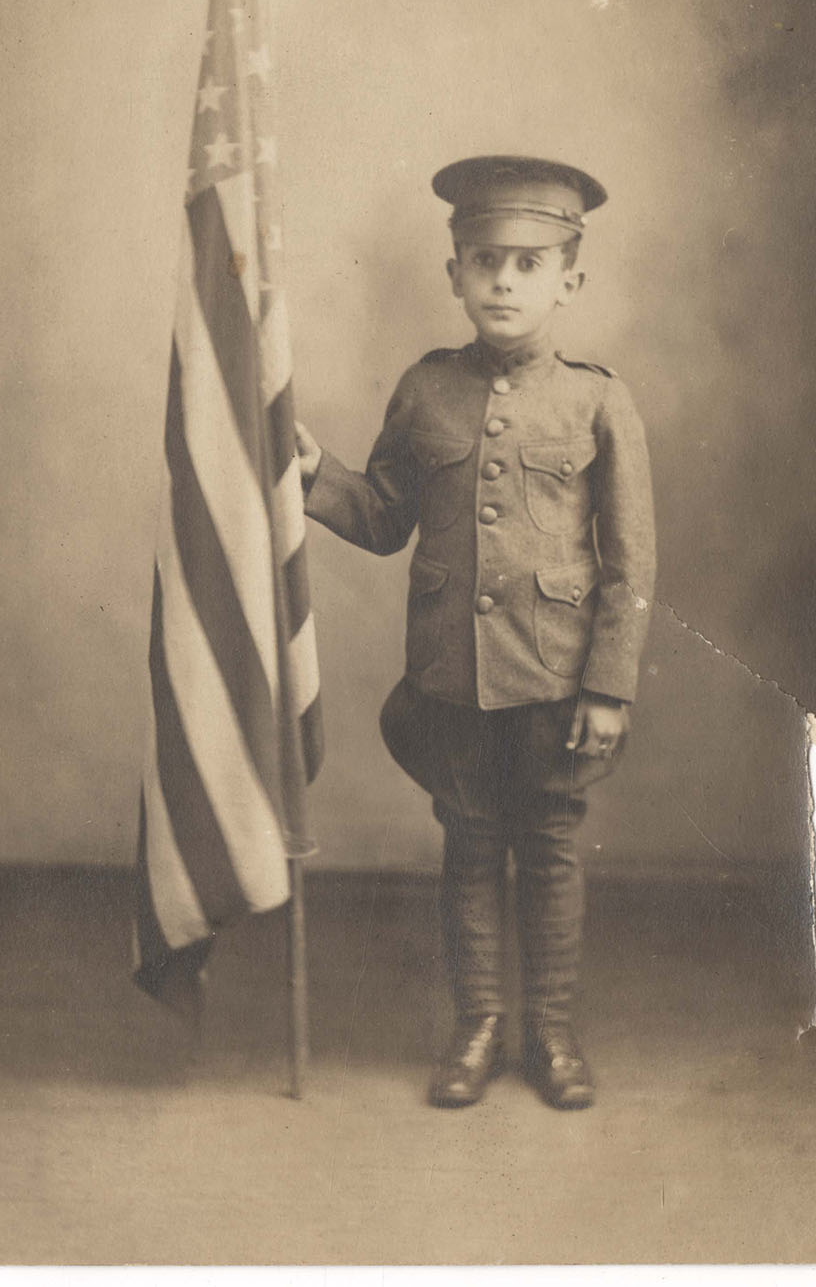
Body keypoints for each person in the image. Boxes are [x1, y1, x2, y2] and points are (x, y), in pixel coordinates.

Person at [295, 155, 656, 1109]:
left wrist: (610, 688)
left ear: (570, 281)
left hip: (556, 683)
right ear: (453, 270)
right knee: (467, 845)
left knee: (549, 848)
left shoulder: (597, 399)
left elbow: (631, 563)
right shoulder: (425, 391)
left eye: (529, 264)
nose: (504, 280)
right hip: (452, 681)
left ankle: (552, 1032)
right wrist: (308, 470)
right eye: (485, 259)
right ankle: (481, 1023)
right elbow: (381, 517)